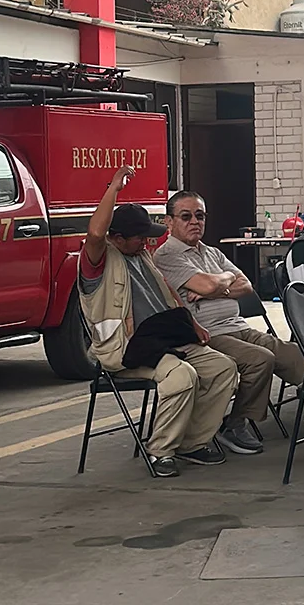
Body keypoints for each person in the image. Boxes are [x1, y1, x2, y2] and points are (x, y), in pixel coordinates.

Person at [78, 167, 238, 477]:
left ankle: (192, 442)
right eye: (139, 237)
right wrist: (114, 188)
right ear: (117, 237)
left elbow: (167, 292)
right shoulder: (98, 262)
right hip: (128, 349)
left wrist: (192, 324)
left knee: (223, 368)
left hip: (163, 339)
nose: (146, 241)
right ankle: (160, 450)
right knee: (182, 377)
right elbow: (95, 234)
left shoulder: (142, 257)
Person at [154, 191, 304, 456]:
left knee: (293, 354)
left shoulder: (212, 253)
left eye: (200, 216)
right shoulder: (168, 255)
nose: (194, 222)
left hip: (238, 326)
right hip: (206, 334)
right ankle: (235, 424)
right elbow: (210, 284)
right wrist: (220, 281)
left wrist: (216, 286)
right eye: (186, 216)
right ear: (169, 222)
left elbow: (246, 285)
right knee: (260, 359)